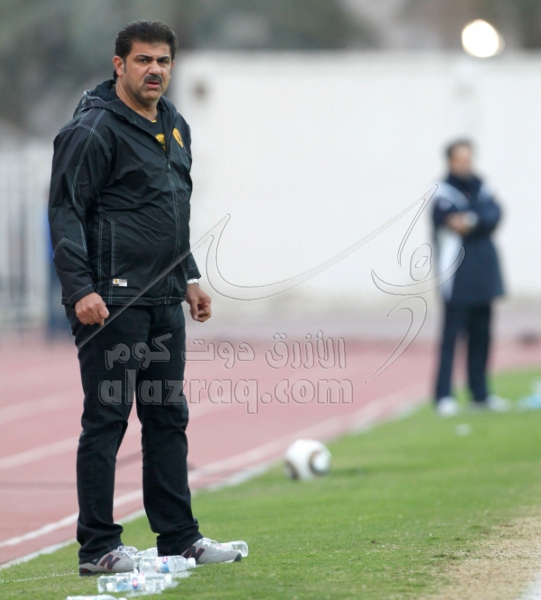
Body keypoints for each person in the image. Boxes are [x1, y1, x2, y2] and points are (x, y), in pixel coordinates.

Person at [49, 21, 242, 575]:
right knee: (107, 420)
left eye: (163, 61)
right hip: (111, 302)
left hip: (162, 299)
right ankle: (97, 548)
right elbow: (64, 211)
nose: (154, 70)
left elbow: (172, 210)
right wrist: (80, 289)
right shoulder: (93, 129)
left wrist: (189, 277)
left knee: (167, 417)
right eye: (142, 60)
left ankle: (180, 539)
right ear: (119, 65)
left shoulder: (174, 124)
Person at [432, 140, 506, 417]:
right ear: (450, 161)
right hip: (457, 277)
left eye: (468, 158)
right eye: (460, 159)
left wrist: (472, 219)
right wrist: (478, 217)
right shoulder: (442, 191)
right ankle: (443, 395)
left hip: (484, 275)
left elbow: (495, 215)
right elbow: (452, 220)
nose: (465, 164)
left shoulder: (482, 186)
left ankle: (480, 395)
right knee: (451, 340)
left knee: (482, 338)